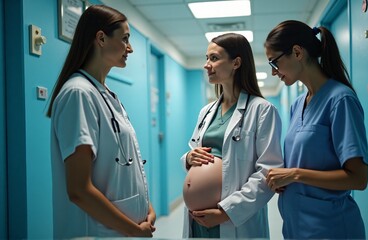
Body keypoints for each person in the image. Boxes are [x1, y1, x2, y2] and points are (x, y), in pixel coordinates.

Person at [47, 5, 156, 238]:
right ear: (101, 38)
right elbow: (79, 190)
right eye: (125, 39)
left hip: (123, 230)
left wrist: (146, 207)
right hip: (96, 233)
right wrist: (134, 230)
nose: (131, 48)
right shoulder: (78, 93)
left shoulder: (104, 94)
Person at [264, 20, 368, 239]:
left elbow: (358, 179)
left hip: (331, 228)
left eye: (274, 63)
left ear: (297, 52)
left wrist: (294, 175)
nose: (274, 72)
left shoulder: (341, 100)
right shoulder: (297, 104)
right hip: (297, 227)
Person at [180, 33, 284, 238]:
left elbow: (268, 172)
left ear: (236, 62)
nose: (206, 65)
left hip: (235, 220)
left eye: (214, 58)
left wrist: (226, 212)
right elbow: (196, 152)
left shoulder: (262, 110)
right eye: (206, 58)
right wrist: (189, 158)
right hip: (198, 221)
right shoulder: (206, 112)